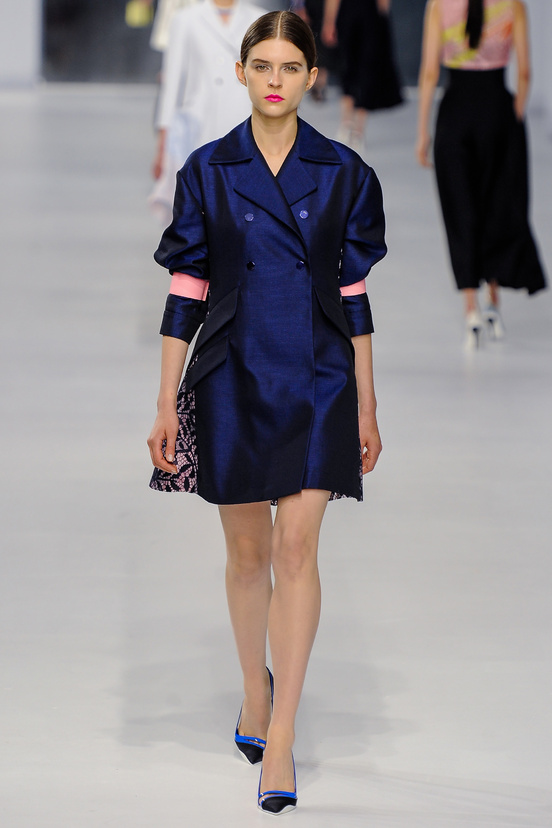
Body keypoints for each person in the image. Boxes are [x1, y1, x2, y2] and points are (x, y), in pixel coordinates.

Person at [147, 10, 387, 814]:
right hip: (233, 373)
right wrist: (165, 400)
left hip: (320, 373)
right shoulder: (209, 170)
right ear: (242, 73)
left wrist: (367, 402)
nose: (276, 80)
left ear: (312, 76)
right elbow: (187, 288)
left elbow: (353, 293)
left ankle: (280, 733)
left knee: (296, 548)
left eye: (291, 67)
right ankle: (256, 687)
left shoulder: (344, 172)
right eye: (262, 66)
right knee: (249, 554)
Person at [417, 0, 547, 348]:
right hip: (497, 113)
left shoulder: (439, 5)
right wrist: (514, 115)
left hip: (455, 115)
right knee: (496, 206)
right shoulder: (512, 5)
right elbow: (525, 73)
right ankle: (493, 302)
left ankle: (471, 309)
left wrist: (423, 132)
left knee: (461, 209)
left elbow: (429, 73)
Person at [148, 0, 266, 224]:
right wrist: (163, 145)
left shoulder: (259, 19)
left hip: (246, 125)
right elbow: (172, 86)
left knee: (243, 210)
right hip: (198, 127)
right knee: (198, 209)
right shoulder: (185, 20)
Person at [322, 0, 403, 151]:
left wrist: (329, 22)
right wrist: (329, 22)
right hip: (363, 14)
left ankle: (351, 127)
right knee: (357, 69)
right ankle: (352, 127)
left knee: (358, 70)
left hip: (357, 15)